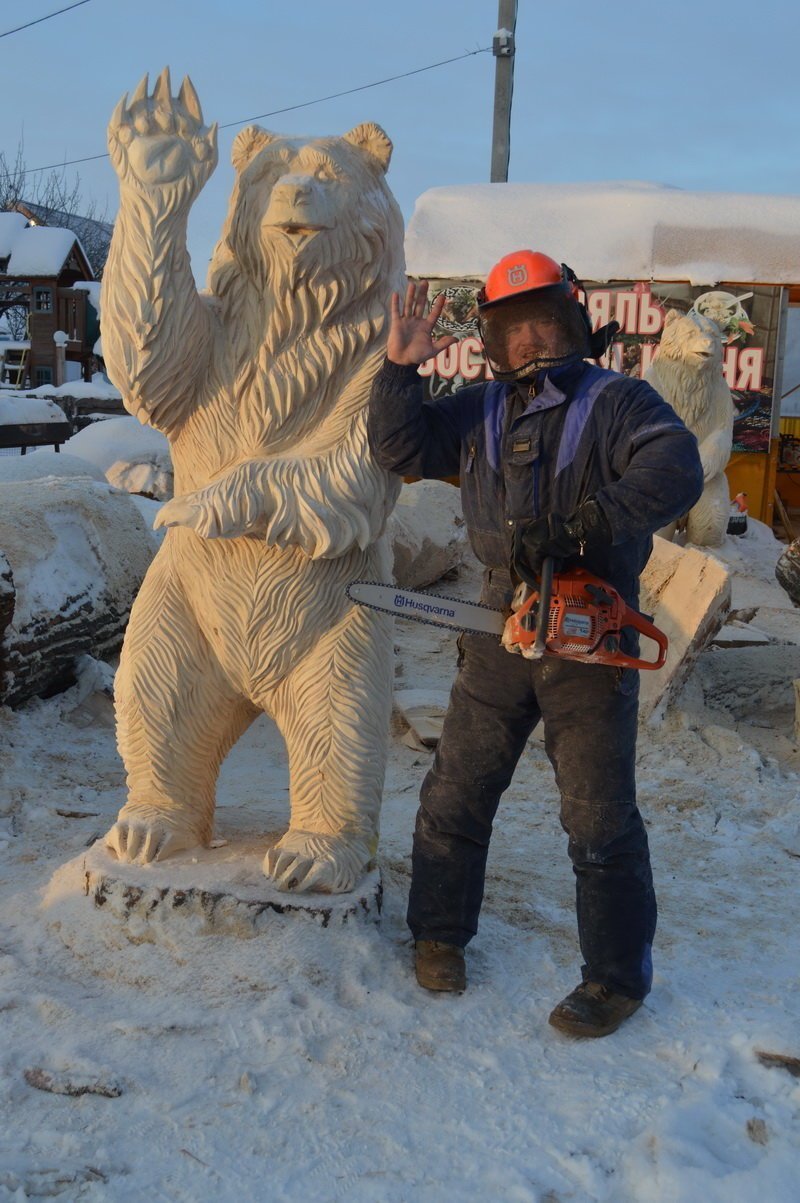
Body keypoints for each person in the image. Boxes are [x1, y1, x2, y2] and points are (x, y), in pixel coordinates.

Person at [367, 250, 705, 1038]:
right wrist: (400, 372)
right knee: (456, 791)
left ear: (576, 323)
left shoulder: (620, 400)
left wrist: (589, 522)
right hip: (501, 622)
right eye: (515, 331)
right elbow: (400, 449)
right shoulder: (481, 408)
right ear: (493, 338)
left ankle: (616, 977)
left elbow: (677, 466)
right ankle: (440, 935)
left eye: (546, 325)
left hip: (591, 632)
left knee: (598, 818)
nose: (531, 343)